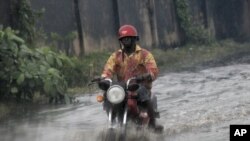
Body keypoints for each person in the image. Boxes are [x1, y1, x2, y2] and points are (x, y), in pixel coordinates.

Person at [101, 24, 163, 131]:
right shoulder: (116, 56)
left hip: (140, 86)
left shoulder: (144, 54)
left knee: (143, 91)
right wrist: (104, 78)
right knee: (107, 96)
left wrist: (146, 75)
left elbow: (153, 70)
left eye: (128, 39)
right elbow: (108, 69)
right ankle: (113, 122)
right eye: (123, 39)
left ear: (134, 39)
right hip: (122, 89)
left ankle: (152, 123)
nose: (126, 41)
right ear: (120, 41)